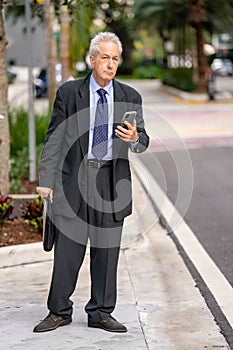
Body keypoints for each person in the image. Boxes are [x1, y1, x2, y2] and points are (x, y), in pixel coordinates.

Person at [34, 32, 149, 334]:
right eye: (105, 58)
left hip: (111, 182)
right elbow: (54, 138)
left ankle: (100, 312)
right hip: (75, 181)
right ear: (92, 59)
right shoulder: (70, 93)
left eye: (115, 59)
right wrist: (46, 180)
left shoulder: (130, 96)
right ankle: (58, 311)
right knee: (68, 253)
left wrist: (136, 139)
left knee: (106, 254)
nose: (111, 65)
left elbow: (143, 140)